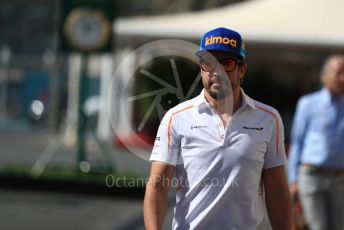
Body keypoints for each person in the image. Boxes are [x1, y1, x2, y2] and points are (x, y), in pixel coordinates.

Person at [144, 27, 292, 230]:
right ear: (201, 69)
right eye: (208, 63)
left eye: (227, 63)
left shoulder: (268, 119)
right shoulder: (176, 118)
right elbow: (158, 186)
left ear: (242, 70)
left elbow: (276, 190)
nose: (217, 71)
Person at [288, 55, 344, 230]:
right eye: (339, 73)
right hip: (311, 176)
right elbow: (297, 141)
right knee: (317, 227)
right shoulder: (308, 104)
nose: (343, 78)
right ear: (325, 77)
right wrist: (293, 180)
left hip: (339, 179)